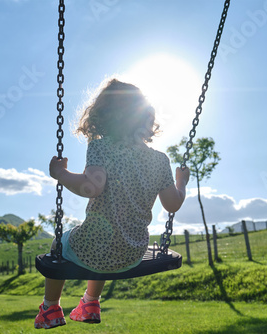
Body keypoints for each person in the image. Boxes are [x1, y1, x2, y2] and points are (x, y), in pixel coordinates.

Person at [35, 79, 190, 329]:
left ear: (103, 115)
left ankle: (50, 308)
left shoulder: (101, 147)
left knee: (59, 245)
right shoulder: (160, 160)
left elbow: (91, 186)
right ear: (145, 117)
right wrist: (181, 182)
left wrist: (60, 174)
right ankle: (90, 302)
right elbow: (173, 204)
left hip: (94, 248)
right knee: (106, 233)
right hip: (132, 253)